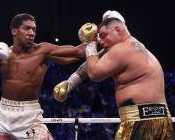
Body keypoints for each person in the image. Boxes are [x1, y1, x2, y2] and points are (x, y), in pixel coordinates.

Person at [53, 10, 174, 140]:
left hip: (141, 122)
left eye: (103, 35)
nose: (101, 42)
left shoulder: (122, 49)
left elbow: (94, 73)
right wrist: (69, 83)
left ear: (118, 30)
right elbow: (90, 65)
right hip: (159, 120)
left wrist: (90, 43)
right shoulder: (133, 46)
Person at [0, 13, 86, 140]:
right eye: (27, 28)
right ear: (14, 31)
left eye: (34, 29)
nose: (32, 33)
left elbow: (79, 52)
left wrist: (96, 38)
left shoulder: (43, 51)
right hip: (2, 115)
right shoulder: (2, 55)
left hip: (30, 117)